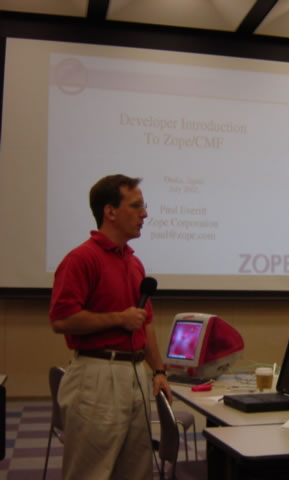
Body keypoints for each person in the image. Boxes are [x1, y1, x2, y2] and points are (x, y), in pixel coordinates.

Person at [49, 174, 171, 480]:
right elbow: (61, 320)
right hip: (97, 374)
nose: (145, 214)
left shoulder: (134, 262)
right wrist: (118, 318)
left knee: (137, 470)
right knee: (91, 471)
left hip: (135, 373)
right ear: (110, 211)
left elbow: (145, 323)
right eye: (136, 206)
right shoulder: (82, 259)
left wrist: (159, 370)